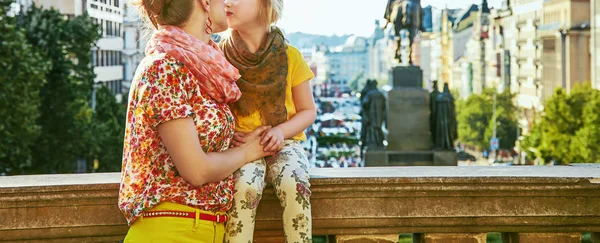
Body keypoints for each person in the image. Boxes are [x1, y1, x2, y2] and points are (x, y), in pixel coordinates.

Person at [119, 0, 272, 242]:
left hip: (203, 229)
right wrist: (249, 151)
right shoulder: (163, 67)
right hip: (170, 230)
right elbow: (197, 170)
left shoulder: (201, 67)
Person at [219, 0, 316, 241]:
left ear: (266, 5)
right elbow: (212, 110)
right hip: (240, 147)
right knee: (243, 188)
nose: (227, 2)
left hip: (284, 142)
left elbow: (307, 110)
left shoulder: (290, 55)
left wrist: (281, 132)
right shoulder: (218, 56)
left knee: (295, 182)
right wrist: (227, 133)